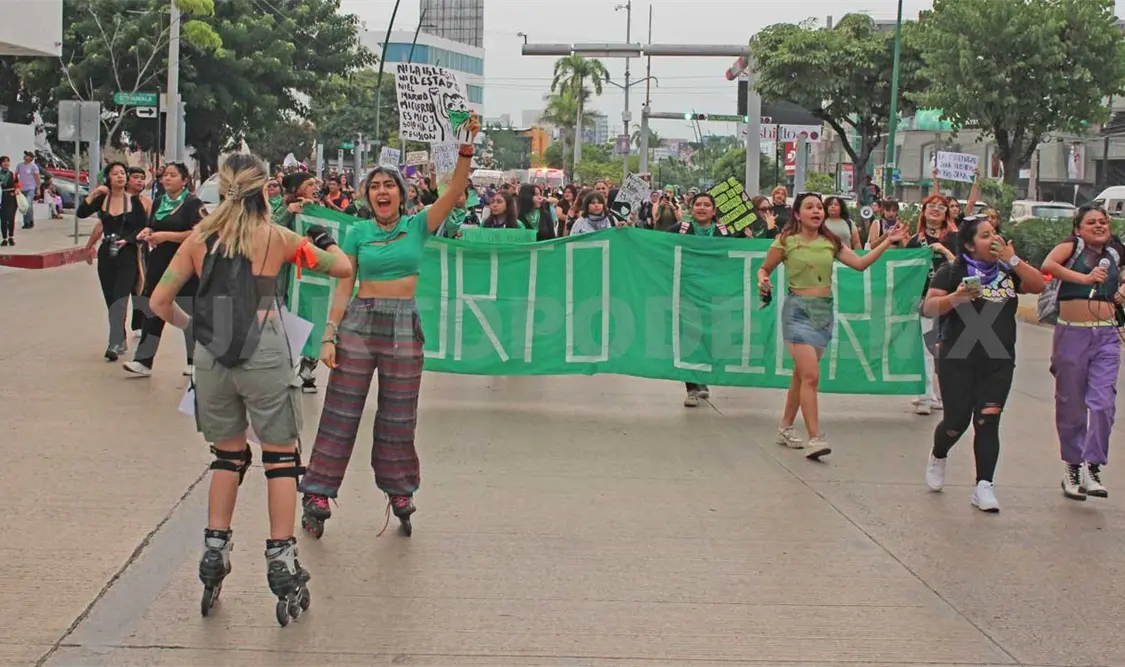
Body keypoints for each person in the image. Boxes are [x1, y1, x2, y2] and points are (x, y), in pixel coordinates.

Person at [149, 152, 352, 624]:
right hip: (263, 347)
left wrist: (195, 329)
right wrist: (321, 235)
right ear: (265, 190)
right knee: (280, 457)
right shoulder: (278, 238)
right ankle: (281, 560)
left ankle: (214, 550)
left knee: (227, 455)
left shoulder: (199, 240)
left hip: (213, 350)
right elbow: (340, 267)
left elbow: (159, 300)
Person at [298, 113, 482, 540]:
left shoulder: (418, 225)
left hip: (403, 327)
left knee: (399, 415)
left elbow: (455, 190)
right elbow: (344, 282)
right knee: (341, 412)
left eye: (389, 186)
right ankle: (318, 491)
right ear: (367, 195)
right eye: (375, 186)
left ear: (401, 194)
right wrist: (329, 333)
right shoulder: (357, 232)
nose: (382, 192)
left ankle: (399, 490)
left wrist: (466, 147)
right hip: (359, 325)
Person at [757, 193, 906, 460]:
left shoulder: (830, 242)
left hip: (823, 312)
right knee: (811, 376)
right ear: (797, 213)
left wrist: (887, 243)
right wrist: (762, 281)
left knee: (802, 375)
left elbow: (859, 264)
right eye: (809, 207)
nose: (816, 211)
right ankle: (815, 438)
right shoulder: (786, 240)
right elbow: (764, 269)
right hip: (797, 312)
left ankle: (785, 427)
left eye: (819, 207)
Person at [922, 216, 1044, 511]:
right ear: (968, 244)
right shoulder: (951, 271)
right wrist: (956, 297)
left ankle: (984, 486)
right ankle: (939, 454)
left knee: (988, 421)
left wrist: (1012, 259)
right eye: (985, 235)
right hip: (958, 359)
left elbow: (1038, 284)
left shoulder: (1008, 270)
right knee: (956, 421)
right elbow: (928, 308)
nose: (993, 239)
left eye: (995, 234)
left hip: (998, 360)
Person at [1041, 205, 1125, 501]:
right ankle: (1072, 468)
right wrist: (1085, 279)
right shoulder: (1071, 246)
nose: (1099, 226)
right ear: (1079, 228)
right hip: (1072, 333)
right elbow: (1048, 266)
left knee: (1102, 404)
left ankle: (1093, 465)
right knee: (1072, 404)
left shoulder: (1116, 251)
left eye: (1103, 221)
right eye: (1092, 222)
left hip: (1107, 335)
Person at [668, 193, 751, 406]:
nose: (702, 208)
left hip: (716, 295)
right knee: (690, 339)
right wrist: (628, 229)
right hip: (688, 292)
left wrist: (750, 239)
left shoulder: (725, 233)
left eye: (707, 205)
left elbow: (738, 256)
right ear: (691, 208)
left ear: (714, 211)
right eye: (698, 204)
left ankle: (703, 379)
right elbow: (654, 242)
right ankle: (692, 388)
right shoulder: (681, 230)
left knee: (711, 337)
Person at [125, 163, 205, 377]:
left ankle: (195, 360)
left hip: (184, 262)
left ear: (184, 180)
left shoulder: (192, 203)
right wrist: (148, 232)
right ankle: (144, 360)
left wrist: (167, 236)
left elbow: (199, 234)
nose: (167, 179)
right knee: (153, 307)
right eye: (165, 175)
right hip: (159, 261)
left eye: (173, 175)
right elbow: (154, 226)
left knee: (189, 308)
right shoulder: (159, 201)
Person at [78, 162, 150, 361]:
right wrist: (93, 194)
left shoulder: (134, 203)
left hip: (127, 254)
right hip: (106, 255)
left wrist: (128, 239)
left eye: (122, 173)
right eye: (115, 173)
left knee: (120, 298)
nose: (120, 176)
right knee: (111, 299)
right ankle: (120, 337)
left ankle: (115, 342)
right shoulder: (102, 199)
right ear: (108, 178)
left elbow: (143, 227)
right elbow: (81, 213)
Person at [906, 195, 959, 415]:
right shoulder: (916, 240)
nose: (936, 210)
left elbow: (963, 265)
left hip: (953, 300)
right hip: (926, 301)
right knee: (927, 349)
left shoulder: (955, 238)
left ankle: (942, 394)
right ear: (924, 211)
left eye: (941, 207)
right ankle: (925, 396)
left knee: (949, 349)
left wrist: (944, 251)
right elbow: (906, 270)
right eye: (931, 207)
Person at [0, 156, 17, 246]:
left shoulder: (12, 174)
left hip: (11, 198)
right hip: (2, 198)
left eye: (7, 161)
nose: (6, 163)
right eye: (4, 161)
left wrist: (16, 190)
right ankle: (4, 238)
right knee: (3, 219)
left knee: (11, 218)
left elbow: (17, 185)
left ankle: (11, 237)